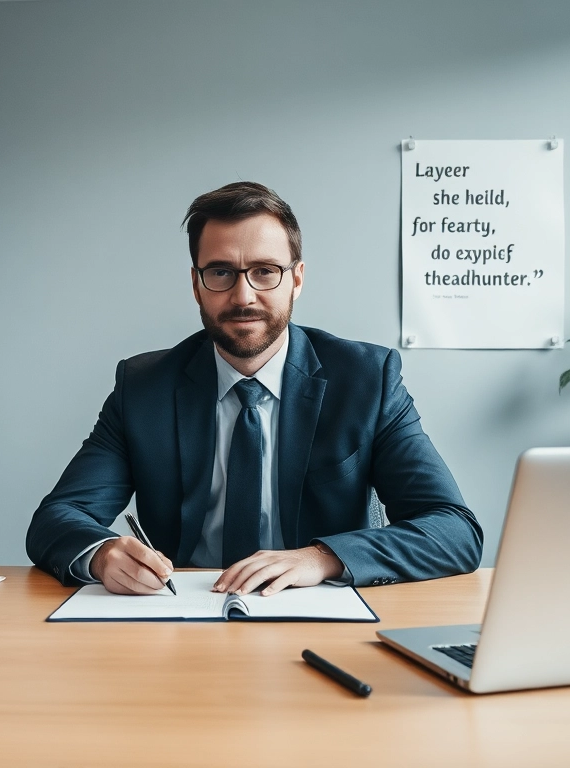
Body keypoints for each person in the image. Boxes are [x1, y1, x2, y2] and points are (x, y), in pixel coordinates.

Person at [26, 182, 482, 596]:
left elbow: (454, 530)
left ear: (296, 279)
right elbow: (56, 518)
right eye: (221, 273)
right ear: (196, 285)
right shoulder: (144, 387)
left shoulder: (366, 379)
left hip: (320, 614)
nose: (243, 296)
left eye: (265, 271)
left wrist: (322, 558)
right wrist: (103, 554)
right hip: (178, 618)